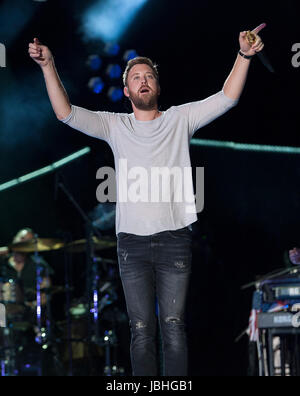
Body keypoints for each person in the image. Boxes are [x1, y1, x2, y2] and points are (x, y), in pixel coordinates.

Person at [28, 24, 265, 376]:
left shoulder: (179, 118)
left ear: (157, 85)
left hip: (174, 239)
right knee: (140, 331)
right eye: (136, 77)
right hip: (131, 244)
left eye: (149, 76)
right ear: (126, 90)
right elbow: (66, 113)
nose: (143, 80)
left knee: (172, 326)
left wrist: (244, 56)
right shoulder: (115, 125)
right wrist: (48, 66)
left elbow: (226, 97)